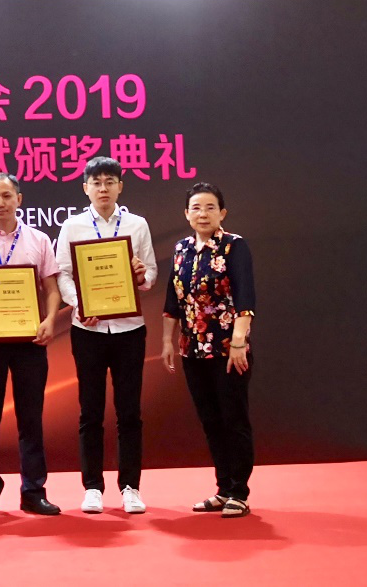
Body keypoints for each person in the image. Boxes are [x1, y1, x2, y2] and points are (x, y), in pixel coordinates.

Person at [55, 157, 157, 514]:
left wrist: (141, 275)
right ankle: (92, 487)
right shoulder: (72, 226)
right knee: (90, 411)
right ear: (85, 188)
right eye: (96, 182)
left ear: (120, 186)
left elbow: (150, 273)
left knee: (130, 411)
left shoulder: (137, 224)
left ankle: (130, 486)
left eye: (109, 182)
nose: (103, 188)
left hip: (129, 329)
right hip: (89, 330)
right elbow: (63, 273)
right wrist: (79, 303)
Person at [0, 173, 64, 518]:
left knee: (30, 417)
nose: (0, 203)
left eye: (7, 196)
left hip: (30, 338)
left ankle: (33, 491)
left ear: (19, 199)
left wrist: (50, 320)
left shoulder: (39, 240)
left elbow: (52, 289)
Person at [161, 182, 256, 519]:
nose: (203, 214)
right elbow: (172, 300)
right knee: (210, 421)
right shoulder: (181, 249)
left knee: (234, 419)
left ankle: (239, 492)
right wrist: (167, 341)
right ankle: (223, 488)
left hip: (228, 349)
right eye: (196, 208)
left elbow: (245, 298)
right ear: (186, 214)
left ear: (222, 213)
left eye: (210, 207)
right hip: (192, 351)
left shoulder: (234, 246)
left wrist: (239, 342)